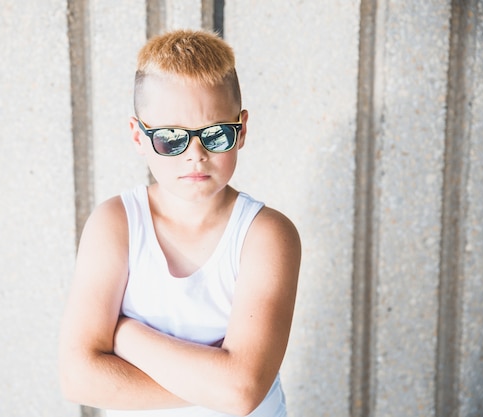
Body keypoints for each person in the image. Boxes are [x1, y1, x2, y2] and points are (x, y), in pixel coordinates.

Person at [58, 29, 301, 417]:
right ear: (139, 136)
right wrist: (218, 383)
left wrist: (125, 334)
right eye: (171, 137)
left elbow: (242, 392)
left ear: (241, 130)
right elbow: (78, 377)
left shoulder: (265, 234)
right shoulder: (116, 224)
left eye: (215, 134)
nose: (196, 155)